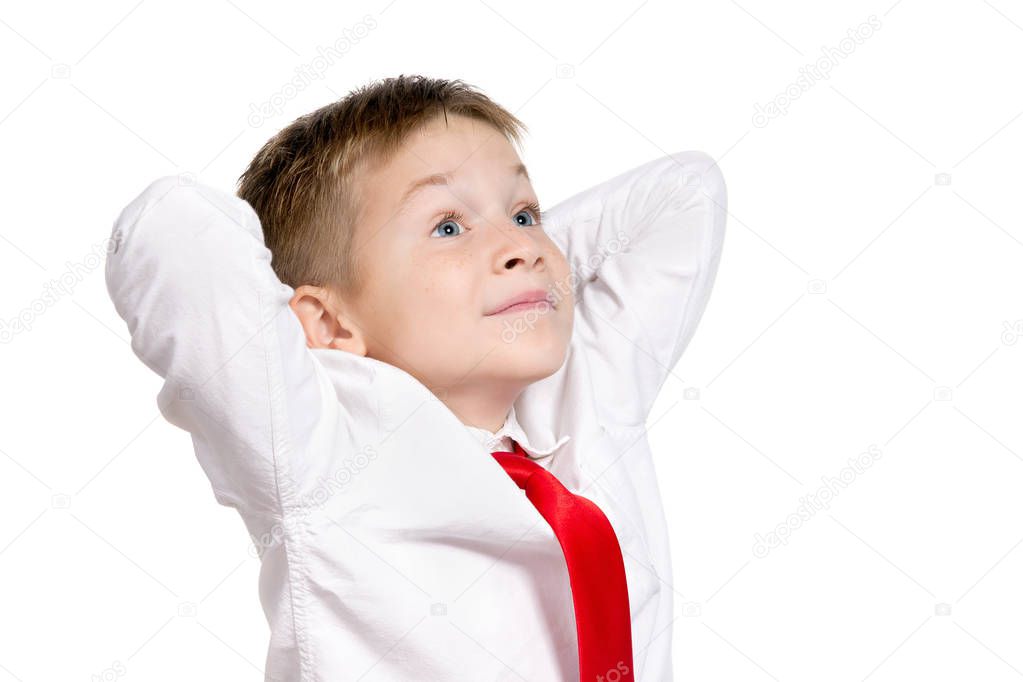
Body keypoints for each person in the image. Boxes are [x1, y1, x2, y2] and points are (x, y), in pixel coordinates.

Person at [105, 73, 727, 681]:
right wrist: (501, 254)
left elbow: (685, 194)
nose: (526, 246)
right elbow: (174, 229)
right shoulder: (317, 449)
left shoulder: (584, 395)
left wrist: (512, 259)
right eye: (447, 227)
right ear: (326, 320)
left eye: (526, 213)